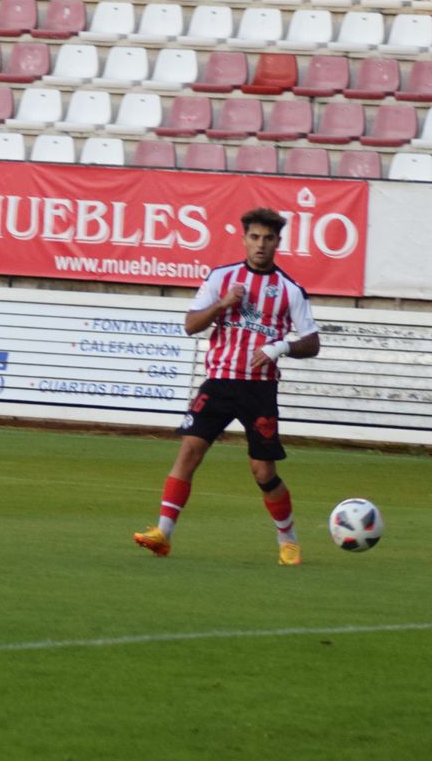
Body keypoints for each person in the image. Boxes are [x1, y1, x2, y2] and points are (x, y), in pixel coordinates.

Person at [133, 208, 321, 566]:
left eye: (268, 238)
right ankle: (163, 534)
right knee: (189, 451)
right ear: (244, 239)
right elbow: (190, 325)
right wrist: (222, 305)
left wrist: (280, 346)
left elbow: (312, 342)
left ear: (278, 242)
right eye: (254, 237)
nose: (261, 245)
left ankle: (288, 539)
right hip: (219, 382)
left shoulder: (290, 290)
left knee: (263, 472)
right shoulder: (222, 278)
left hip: (259, 390)